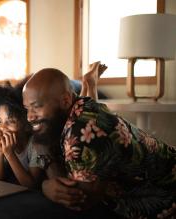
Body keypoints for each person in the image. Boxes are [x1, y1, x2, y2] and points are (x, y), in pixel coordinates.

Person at [22, 67, 176, 218]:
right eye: (27, 108)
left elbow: (80, 201)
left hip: (165, 196)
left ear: (66, 100)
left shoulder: (83, 133)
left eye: (36, 106)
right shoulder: (82, 106)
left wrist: (45, 185)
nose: (29, 116)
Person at [0, 84, 46, 188]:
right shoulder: (5, 145)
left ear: (26, 124)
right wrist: (0, 153)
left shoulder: (35, 144)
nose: (2, 127)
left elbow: (31, 186)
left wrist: (9, 154)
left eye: (10, 122)